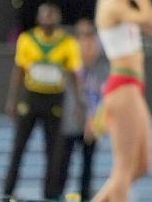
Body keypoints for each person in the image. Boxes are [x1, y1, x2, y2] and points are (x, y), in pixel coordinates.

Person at [90, 0, 152, 202]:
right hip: (122, 88)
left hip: (133, 88)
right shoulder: (111, 5)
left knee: (143, 165)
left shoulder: (125, 7)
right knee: (123, 168)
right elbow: (148, 18)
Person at [3, 3, 84, 202]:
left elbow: (74, 75)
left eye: (51, 15)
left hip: (55, 100)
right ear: (39, 18)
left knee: (53, 151)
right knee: (19, 147)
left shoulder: (68, 43)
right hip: (31, 97)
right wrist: (12, 100)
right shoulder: (27, 40)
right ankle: (7, 191)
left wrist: (79, 103)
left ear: (58, 18)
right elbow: (19, 71)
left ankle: (50, 194)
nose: (47, 18)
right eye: (44, 15)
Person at [49, 18, 108, 201]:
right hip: (71, 119)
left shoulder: (103, 66)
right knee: (62, 161)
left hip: (92, 121)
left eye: (89, 35)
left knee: (88, 163)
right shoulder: (68, 59)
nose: (85, 41)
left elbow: (103, 95)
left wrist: (94, 119)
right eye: (81, 35)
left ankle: (84, 196)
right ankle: (57, 195)